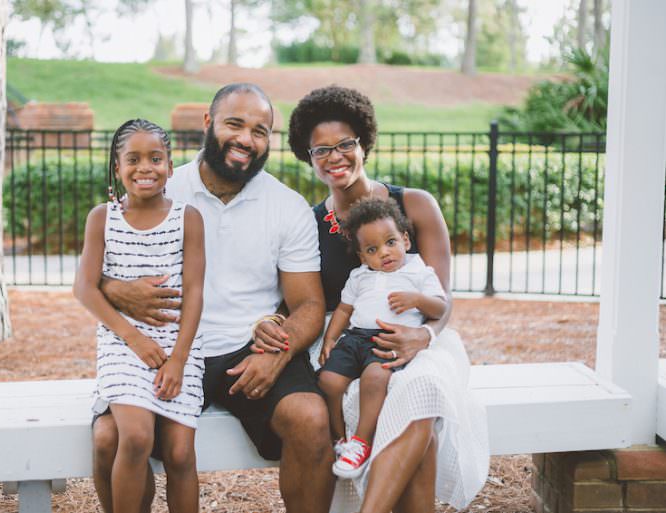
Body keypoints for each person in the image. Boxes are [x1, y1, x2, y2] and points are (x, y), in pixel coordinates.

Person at [92, 84, 334, 513]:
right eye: (235, 124)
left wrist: (278, 353)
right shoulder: (163, 183)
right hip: (168, 345)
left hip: (249, 347)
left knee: (311, 419)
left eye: (260, 131)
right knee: (110, 437)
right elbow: (105, 261)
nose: (246, 139)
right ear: (208, 124)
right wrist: (112, 288)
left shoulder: (287, 206)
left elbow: (309, 306)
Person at [257, 85, 489, 513]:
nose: (335, 157)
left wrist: (425, 336)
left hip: (420, 338)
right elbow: (297, 301)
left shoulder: (414, 205)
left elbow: (443, 297)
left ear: (364, 142)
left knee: (422, 388)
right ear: (308, 157)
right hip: (346, 345)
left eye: (345, 144)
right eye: (320, 149)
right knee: (381, 406)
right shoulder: (307, 224)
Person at [73, 119, 206, 513]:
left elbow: (196, 291)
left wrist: (179, 359)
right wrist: (135, 338)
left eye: (155, 158)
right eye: (133, 159)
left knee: (181, 454)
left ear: (169, 166)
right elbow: (85, 287)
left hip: (179, 346)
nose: (144, 167)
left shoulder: (188, 218)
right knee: (134, 437)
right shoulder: (102, 218)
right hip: (123, 344)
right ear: (117, 168)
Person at [317, 197, 447, 479]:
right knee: (328, 380)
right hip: (354, 338)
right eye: (372, 250)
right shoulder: (359, 276)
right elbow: (343, 309)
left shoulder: (418, 271)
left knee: (375, 378)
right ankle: (340, 441)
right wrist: (330, 339)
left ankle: (361, 442)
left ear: (406, 240)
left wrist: (418, 300)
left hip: (387, 340)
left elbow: (441, 307)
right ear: (363, 256)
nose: (384, 253)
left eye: (391, 242)